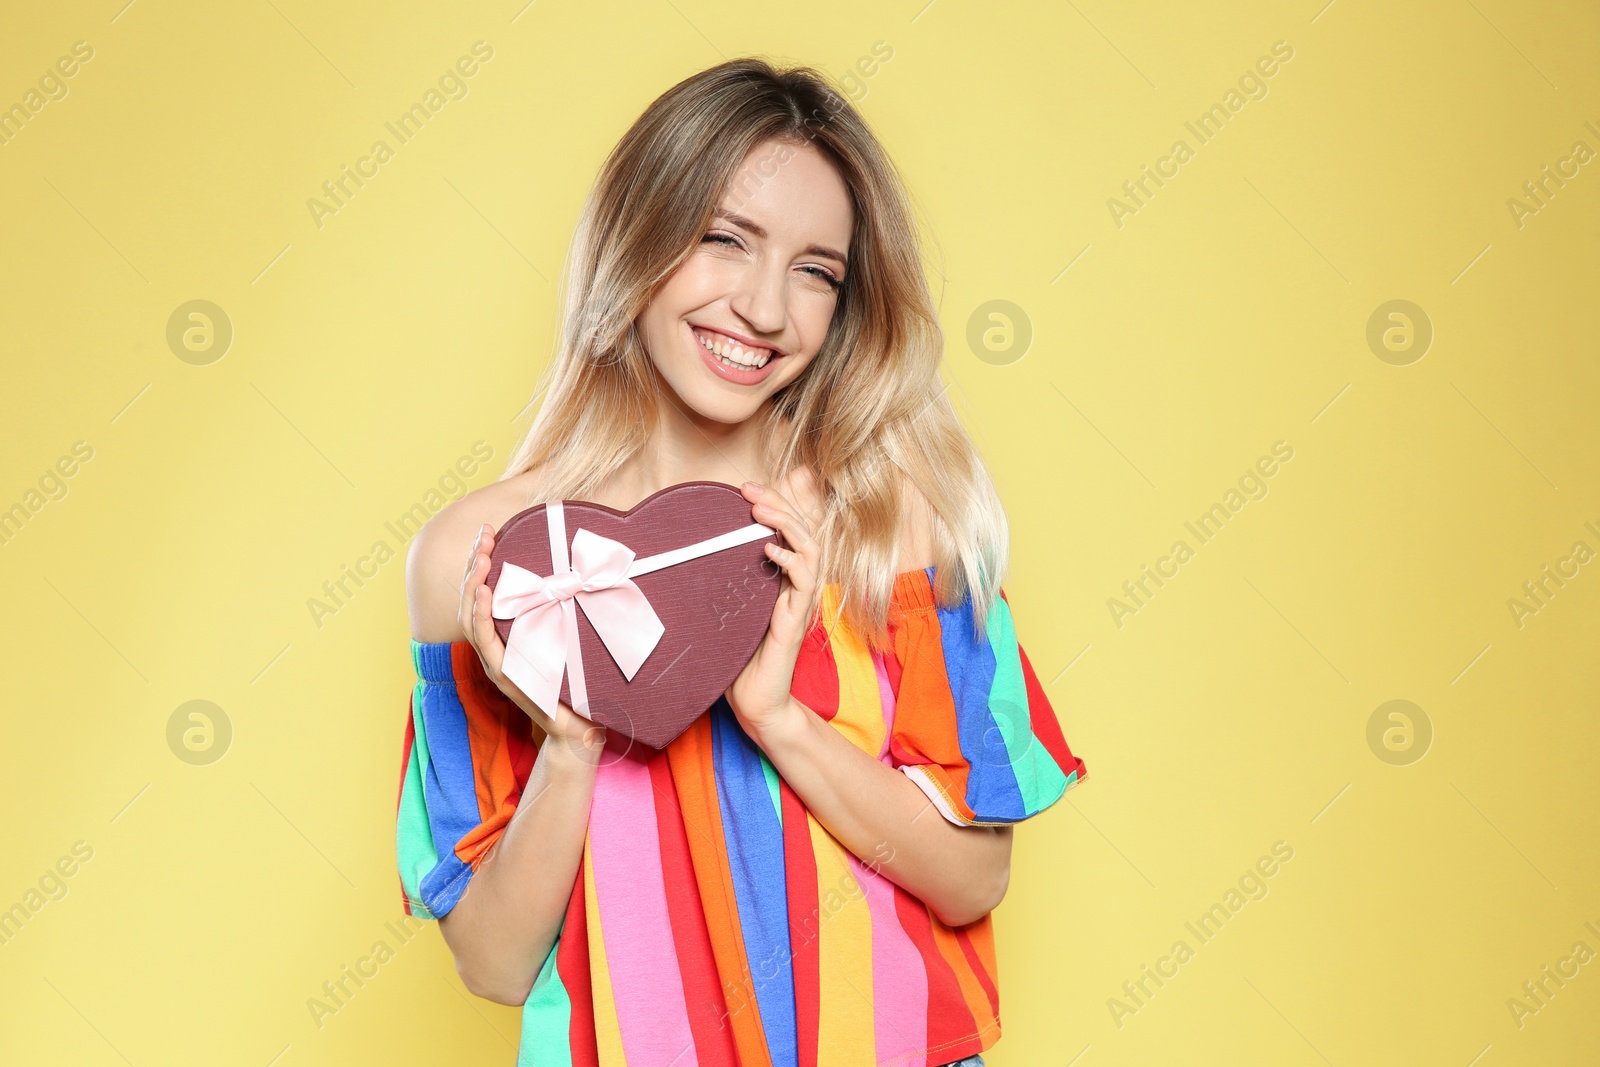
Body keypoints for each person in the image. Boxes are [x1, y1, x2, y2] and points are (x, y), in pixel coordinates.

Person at [396, 56, 1087, 1067]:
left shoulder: (897, 522)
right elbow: (495, 964)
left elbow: (973, 880)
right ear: (638, 237)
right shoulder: (496, 562)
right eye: (725, 239)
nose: (765, 309)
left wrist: (778, 718)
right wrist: (573, 740)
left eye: (816, 271)